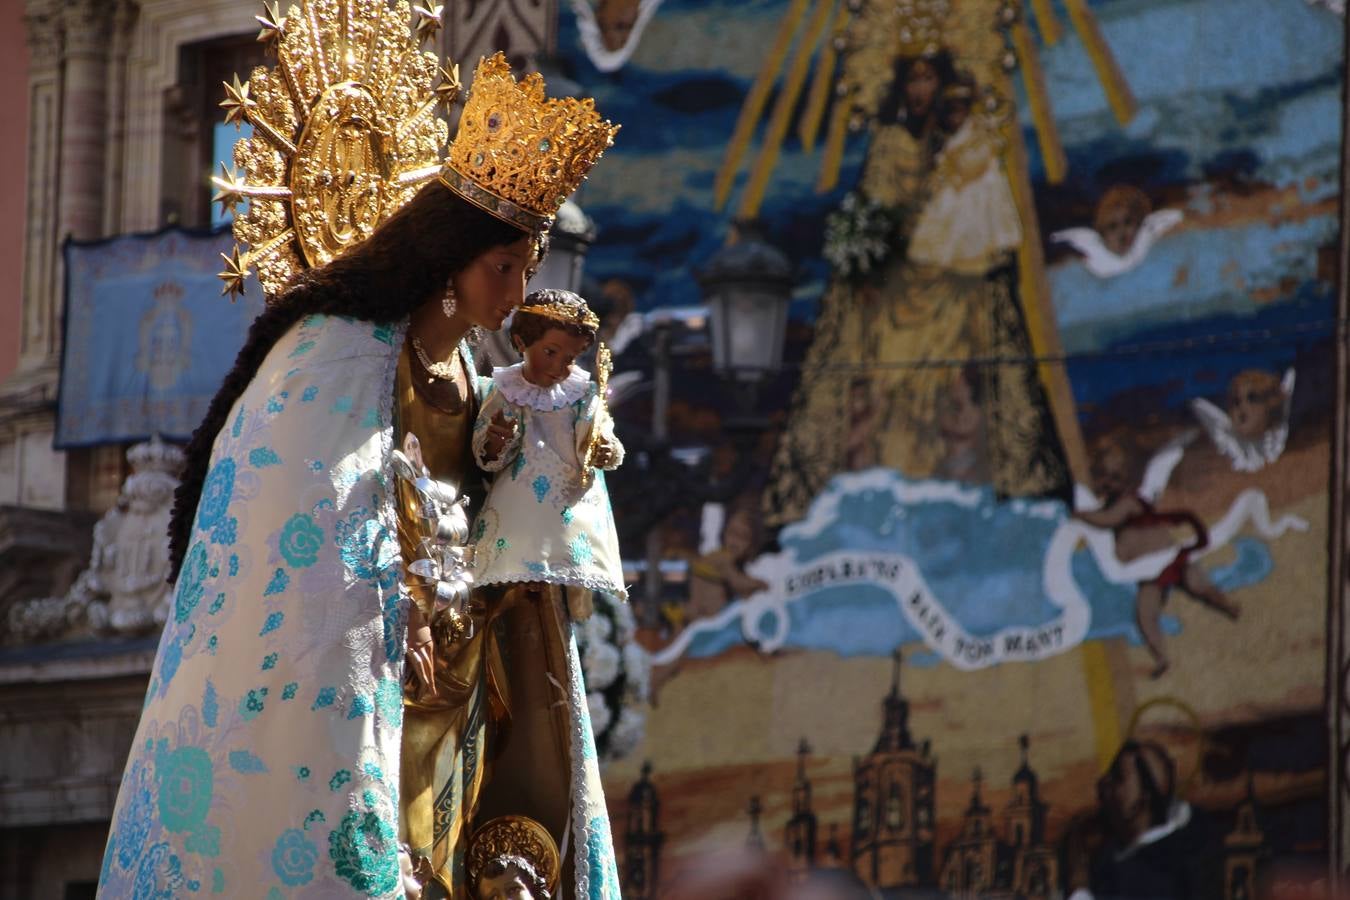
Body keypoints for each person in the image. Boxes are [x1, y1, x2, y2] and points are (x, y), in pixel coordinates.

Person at [98, 53, 622, 899]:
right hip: (369, 663)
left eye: (530, 269)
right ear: (450, 256)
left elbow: (502, 507)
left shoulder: (476, 386)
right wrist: (392, 607)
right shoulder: (333, 355)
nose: (519, 291)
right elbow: (312, 513)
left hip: (461, 675)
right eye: (504, 266)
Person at [470, 289, 627, 605]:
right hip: (519, 504)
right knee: (516, 582)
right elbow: (485, 452)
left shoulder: (583, 393)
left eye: (569, 358)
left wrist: (605, 448)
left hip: (570, 508)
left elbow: (600, 431)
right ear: (521, 343)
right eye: (550, 352)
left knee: (557, 591)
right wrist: (497, 440)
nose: (558, 367)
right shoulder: (504, 390)